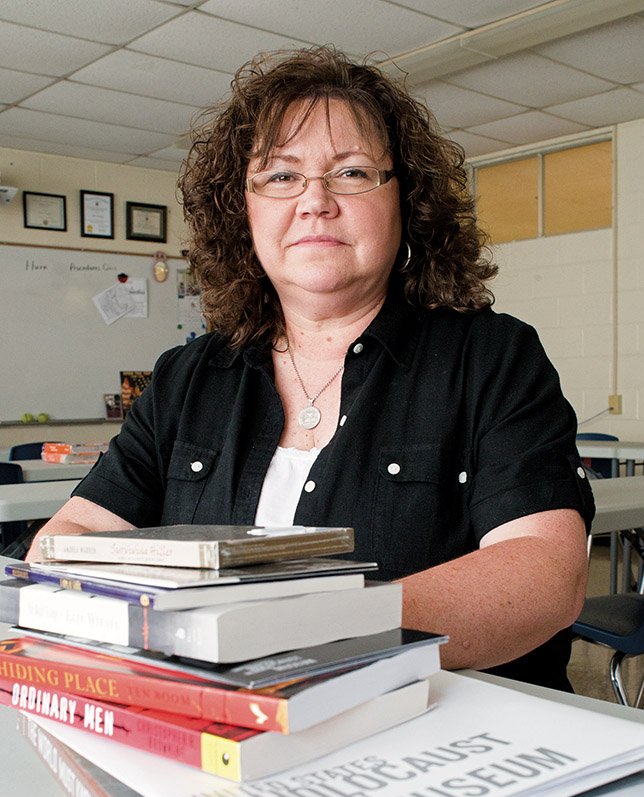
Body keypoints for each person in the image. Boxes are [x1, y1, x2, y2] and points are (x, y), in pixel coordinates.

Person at [26, 45, 594, 689]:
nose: (315, 200)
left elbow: (545, 574)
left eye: (352, 173)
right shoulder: (188, 378)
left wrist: (303, 634)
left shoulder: (492, 358)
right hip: (212, 727)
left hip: (438, 731)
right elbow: (75, 533)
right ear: (242, 211)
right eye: (280, 176)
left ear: (405, 202)